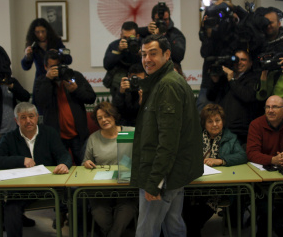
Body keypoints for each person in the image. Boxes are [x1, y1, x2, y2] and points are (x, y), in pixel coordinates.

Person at [130, 34, 203, 237]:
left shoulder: (167, 85)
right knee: (173, 226)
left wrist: (154, 182)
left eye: (153, 54)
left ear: (167, 54)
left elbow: (168, 141)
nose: (147, 59)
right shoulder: (165, 81)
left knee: (146, 230)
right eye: (144, 54)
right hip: (173, 173)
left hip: (162, 175)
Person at [0, 102, 72, 237]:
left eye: (31, 116)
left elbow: (63, 154)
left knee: (74, 193)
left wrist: (64, 164)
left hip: (47, 187)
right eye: (23, 118)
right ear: (16, 120)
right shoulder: (9, 137)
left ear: (37, 117)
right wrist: (21, 160)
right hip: (21, 188)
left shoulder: (49, 133)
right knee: (11, 208)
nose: (28, 121)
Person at [182, 104, 246, 237]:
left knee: (194, 220)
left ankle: (193, 229)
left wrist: (221, 161)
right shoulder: (195, 137)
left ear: (223, 121)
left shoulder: (230, 137)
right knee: (186, 208)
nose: (215, 124)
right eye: (210, 121)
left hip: (218, 189)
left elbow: (242, 156)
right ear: (204, 124)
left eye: (218, 120)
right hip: (195, 185)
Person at [246, 95, 283, 237]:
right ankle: (272, 227)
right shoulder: (256, 124)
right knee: (263, 202)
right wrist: (272, 159)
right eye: (267, 107)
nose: (270, 110)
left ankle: (270, 225)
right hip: (261, 177)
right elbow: (251, 153)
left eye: (275, 107)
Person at [82, 102, 137, 237]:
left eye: (106, 115)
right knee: (99, 213)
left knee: (127, 209)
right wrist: (87, 163)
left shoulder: (130, 132)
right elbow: (85, 161)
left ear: (114, 116)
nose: (104, 120)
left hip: (126, 185)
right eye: (99, 118)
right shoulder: (94, 138)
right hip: (101, 188)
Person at [34, 50, 96, 166]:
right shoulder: (42, 81)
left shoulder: (74, 76)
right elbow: (40, 103)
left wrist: (76, 90)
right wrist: (48, 80)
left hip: (79, 135)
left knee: (83, 166)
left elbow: (91, 98)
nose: (56, 70)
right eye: (52, 67)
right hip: (55, 137)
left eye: (58, 66)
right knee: (59, 168)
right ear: (45, 67)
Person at [206, 49, 262, 145]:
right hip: (223, 129)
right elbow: (210, 96)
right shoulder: (225, 78)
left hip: (241, 132)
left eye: (243, 59)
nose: (239, 63)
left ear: (250, 63)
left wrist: (232, 80)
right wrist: (214, 81)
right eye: (236, 60)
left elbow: (247, 96)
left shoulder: (254, 78)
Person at [21, 18, 69, 102]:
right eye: (37, 32)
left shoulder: (56, 42)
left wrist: (59, 54)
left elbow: (69, 60)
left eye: (43, 31)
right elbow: (25, 67)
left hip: (57, 79)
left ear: (47, 31)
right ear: (33, 33)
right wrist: (27, 56)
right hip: (41, 81)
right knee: (41, 107)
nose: (40, 35)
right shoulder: (32, 45)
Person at [103, 21, 141, 98]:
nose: (127, 41)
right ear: (120, 35)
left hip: (138, 83)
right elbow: (107, 65)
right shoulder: (114, 45)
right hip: (118, 86)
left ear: (137, 36)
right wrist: (119, 51)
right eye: (124, 38)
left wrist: (140, 53)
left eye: (130, 38)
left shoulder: (143, 45)